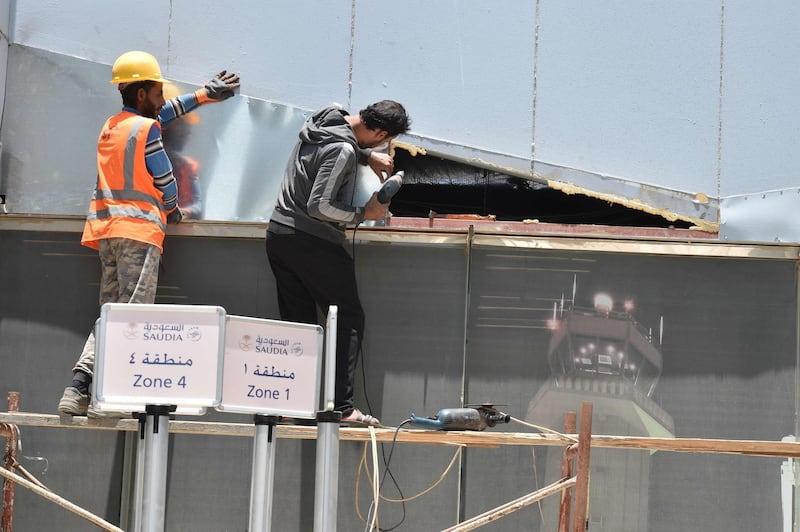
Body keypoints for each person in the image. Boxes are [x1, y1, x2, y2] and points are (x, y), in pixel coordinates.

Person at [58, 50, 240, 416]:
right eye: (157, 91)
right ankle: (110, 398)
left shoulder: (113, 125)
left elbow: (166, 110)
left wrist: (204, 94)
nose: (162, 99)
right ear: (141, 94)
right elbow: (164, 177)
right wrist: (173, 209)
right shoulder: (148, 129)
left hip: (106, 232)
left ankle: (80, 388)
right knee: (132, 317)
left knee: (111, 314)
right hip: (138, 234)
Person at [265, 100, 411, 427]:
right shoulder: (343, 150)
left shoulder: (324, 117)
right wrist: (365, 214)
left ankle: (291, 403)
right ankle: (342, 408)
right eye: (382, 142)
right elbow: (320, 206)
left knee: (298, 323)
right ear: (381, 132)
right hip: (312, 239)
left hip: (279, 234)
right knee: (348, 317)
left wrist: (365, 155)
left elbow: (335, 143)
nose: (379, 148)